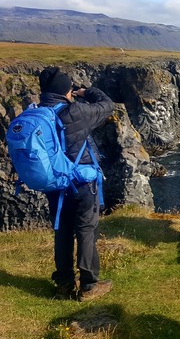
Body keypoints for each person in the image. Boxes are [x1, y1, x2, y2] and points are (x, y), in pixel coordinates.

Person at [38, 67, 115, 301]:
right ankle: (89, 285)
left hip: (55, 187)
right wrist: (86, 92)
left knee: (62, 232)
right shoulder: (76, 112)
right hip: (81, 184)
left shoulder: (39, 113)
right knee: (85, 231)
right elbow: (107, 105)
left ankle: (64, 284)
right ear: (66, 90)